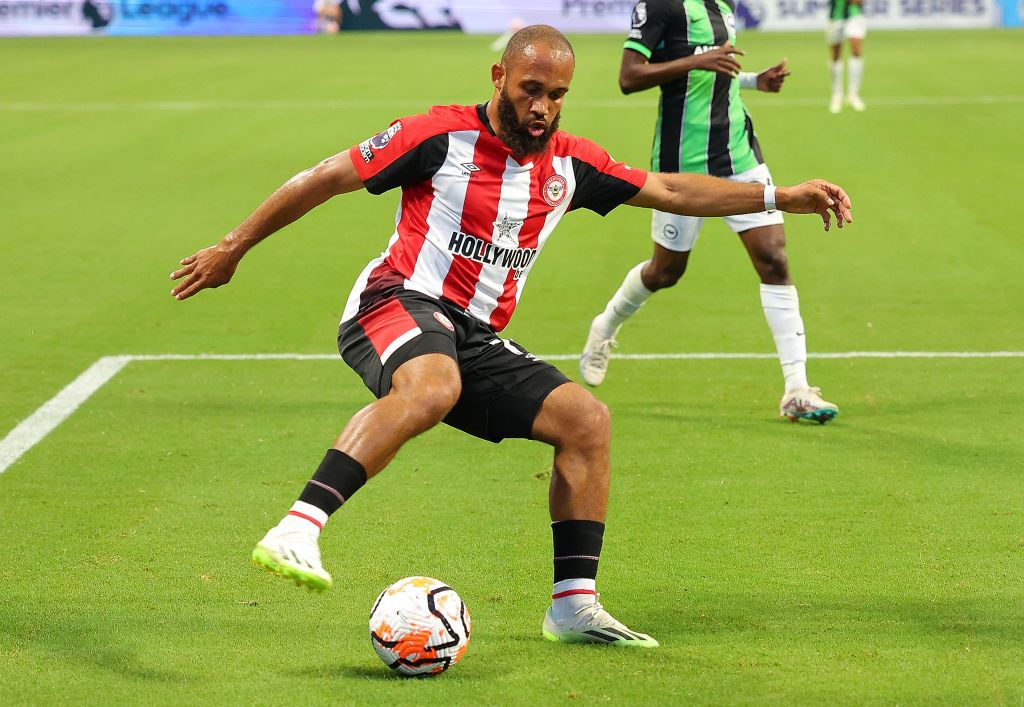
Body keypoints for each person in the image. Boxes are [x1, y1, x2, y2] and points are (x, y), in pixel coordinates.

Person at [170, 25, 851, 647]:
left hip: (471, 333)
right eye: (530, 90)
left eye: (556, 95)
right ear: (498, 77)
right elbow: (326, 177)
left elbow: (671, 190)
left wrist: (777, 195)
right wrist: (233, 247)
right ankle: (298, 526)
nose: (542, 108)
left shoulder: (570, 165)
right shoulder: (436, 135)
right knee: (434, 384)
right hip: (395, 300)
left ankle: (573, 606)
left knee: (585, 420)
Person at [580, 0, 840, 425]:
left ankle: (797, 389)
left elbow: (715, 78)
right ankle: (605, 326)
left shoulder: (724, 5)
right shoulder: (660, 7)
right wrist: (696, 59)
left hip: (739, 155)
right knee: (665, 272)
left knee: (774, 259)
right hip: (681, 164)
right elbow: (629, 78)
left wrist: (756, 81)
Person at [827, 0, 866, 113]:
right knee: (835, 55)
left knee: (856, 50)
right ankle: (837, 94)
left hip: (855, 16)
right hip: (836, 16)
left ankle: (853, 94)